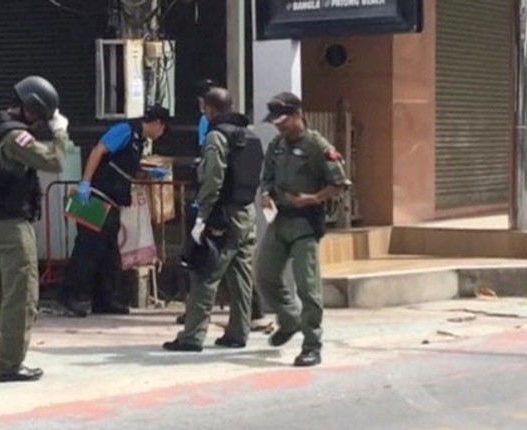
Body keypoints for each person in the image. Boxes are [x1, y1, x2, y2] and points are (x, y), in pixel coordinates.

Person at [0, 76, 69, 382]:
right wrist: (60, 134)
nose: (42, 123)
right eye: (41, 117)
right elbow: (55, 161)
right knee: (22, 296)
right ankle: (9, 364)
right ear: (31, 109)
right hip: (12, 228)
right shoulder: (14, 137)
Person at [163, 88, 263, 352]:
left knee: (205, 272)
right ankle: (238, 332)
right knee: (241, 276)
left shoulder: (216, 138)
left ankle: (192, 336)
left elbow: (212, 180)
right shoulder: (250, 136)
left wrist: (202, 217)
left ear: (209, 109)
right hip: (247, 212)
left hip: (221, 215)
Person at [259, 92, 350, 367]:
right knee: (264, 275)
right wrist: (266, 193)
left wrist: (313, 198)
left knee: (307, 287)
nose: (280, 127)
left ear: (298, 115)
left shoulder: (317, 146)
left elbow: (340, 184)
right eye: (276, 123)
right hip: (280, 220)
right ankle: (289, 320)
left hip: (306, 224)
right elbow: (267, 178)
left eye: (283, 121)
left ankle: (312, 344)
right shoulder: (276, 145)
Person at [57, 105, 170, 317]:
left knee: (109, 253)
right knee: (88, 250)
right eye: (163, 130)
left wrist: (147, 173)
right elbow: (99, 150)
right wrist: (85, 183)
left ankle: (104, 299)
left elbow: (122, 166)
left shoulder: (138, 140)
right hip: (95, 198)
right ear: (158, 124)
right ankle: (70, 295)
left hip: (113, 202)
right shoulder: (125, 130)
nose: (161, 135)